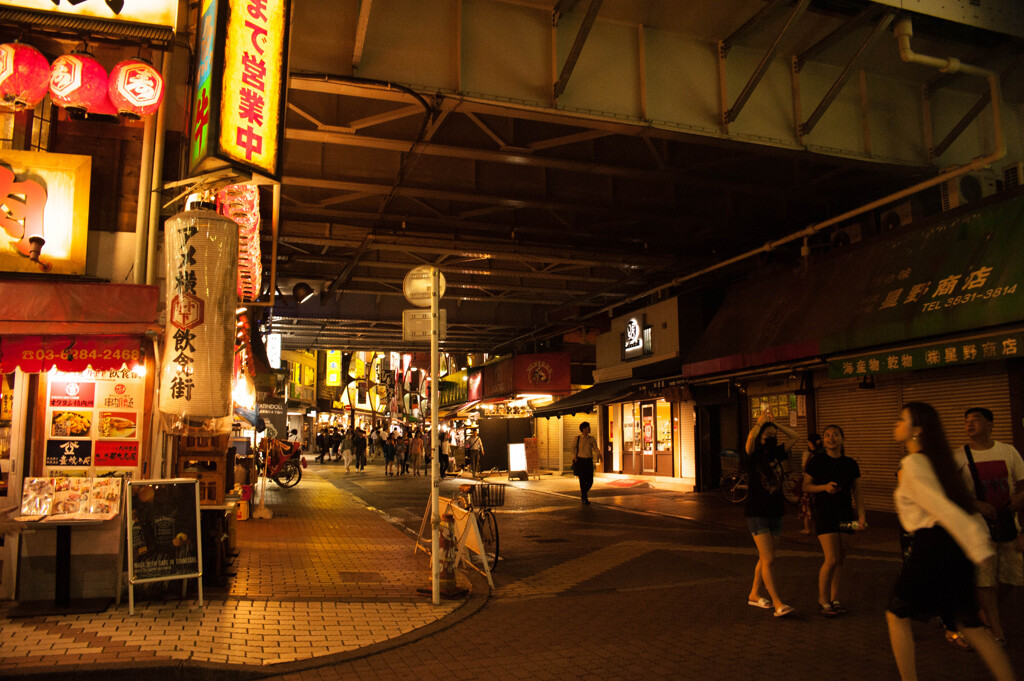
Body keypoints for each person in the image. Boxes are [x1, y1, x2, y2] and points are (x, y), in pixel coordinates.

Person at [886, 401, 1014, 681]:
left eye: (901, 420)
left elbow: (941, 508)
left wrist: (978, 545)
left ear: (916, 429)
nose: (896, 425)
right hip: (952, 547)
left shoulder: (914, 463)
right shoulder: (939, 462)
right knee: (968, 623)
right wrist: (975, 543)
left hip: (932, 546)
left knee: (896, 612)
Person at [954, 407, 1024, 647]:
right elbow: (951, 493)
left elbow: (1023, 484)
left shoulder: (1008, 451)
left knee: (1013, 579)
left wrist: (1019, 499)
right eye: (966, 421)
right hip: (977, 530)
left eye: (976, 420)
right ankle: (997, 630)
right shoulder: (959, 456)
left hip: (1007, 527)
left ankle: (982, 613)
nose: (969, 425)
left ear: (991, 425)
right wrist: (975, 504)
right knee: (984, 581)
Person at [803, 424, 867, 616]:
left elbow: (857, 491)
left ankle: (835, 598)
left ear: (842, 439)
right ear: (823, 440)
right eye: (828, 435)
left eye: (836, 435)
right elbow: (806, 486)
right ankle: (823, 601)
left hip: (846, 515)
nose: (831, 438)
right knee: (830, 558)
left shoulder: (850, 463)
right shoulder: (816, 461)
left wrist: (862, 515)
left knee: (840, 558)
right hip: (825, 514)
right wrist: (824, 487)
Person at [742, 410, 798, 618]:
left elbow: (796, 437)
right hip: (757, 512)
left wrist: (776, 425)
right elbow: (750, 439)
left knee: (766, 559)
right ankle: (778, 603)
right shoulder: (753, 455)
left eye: (774, 436)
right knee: (769, 558)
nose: (772, 439)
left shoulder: (778, 452)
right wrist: (759, 424)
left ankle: (754, 594)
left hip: (776, 511)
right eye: (768, 437)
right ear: (761, 438)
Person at [572, 421, 600, 505]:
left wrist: (599, 455)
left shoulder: (591, 439)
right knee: (582, 480)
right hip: (580, 461)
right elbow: (573, 448)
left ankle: (583, 494)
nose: (589, 429)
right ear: (583, 429)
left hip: (589, 461)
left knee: (590, 481)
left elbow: (595, 448)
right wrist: (574, 457)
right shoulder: (577, 438)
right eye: (588, 427)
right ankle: (585, 498)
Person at [799, 433, 821, 534]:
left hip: (809, 484)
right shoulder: (823, 454)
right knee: (818, 506)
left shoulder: (808, 454)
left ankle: (807, 528)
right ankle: (818, 528)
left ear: (809, 442)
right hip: (820, 485)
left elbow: (804, 468)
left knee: (806, 506)